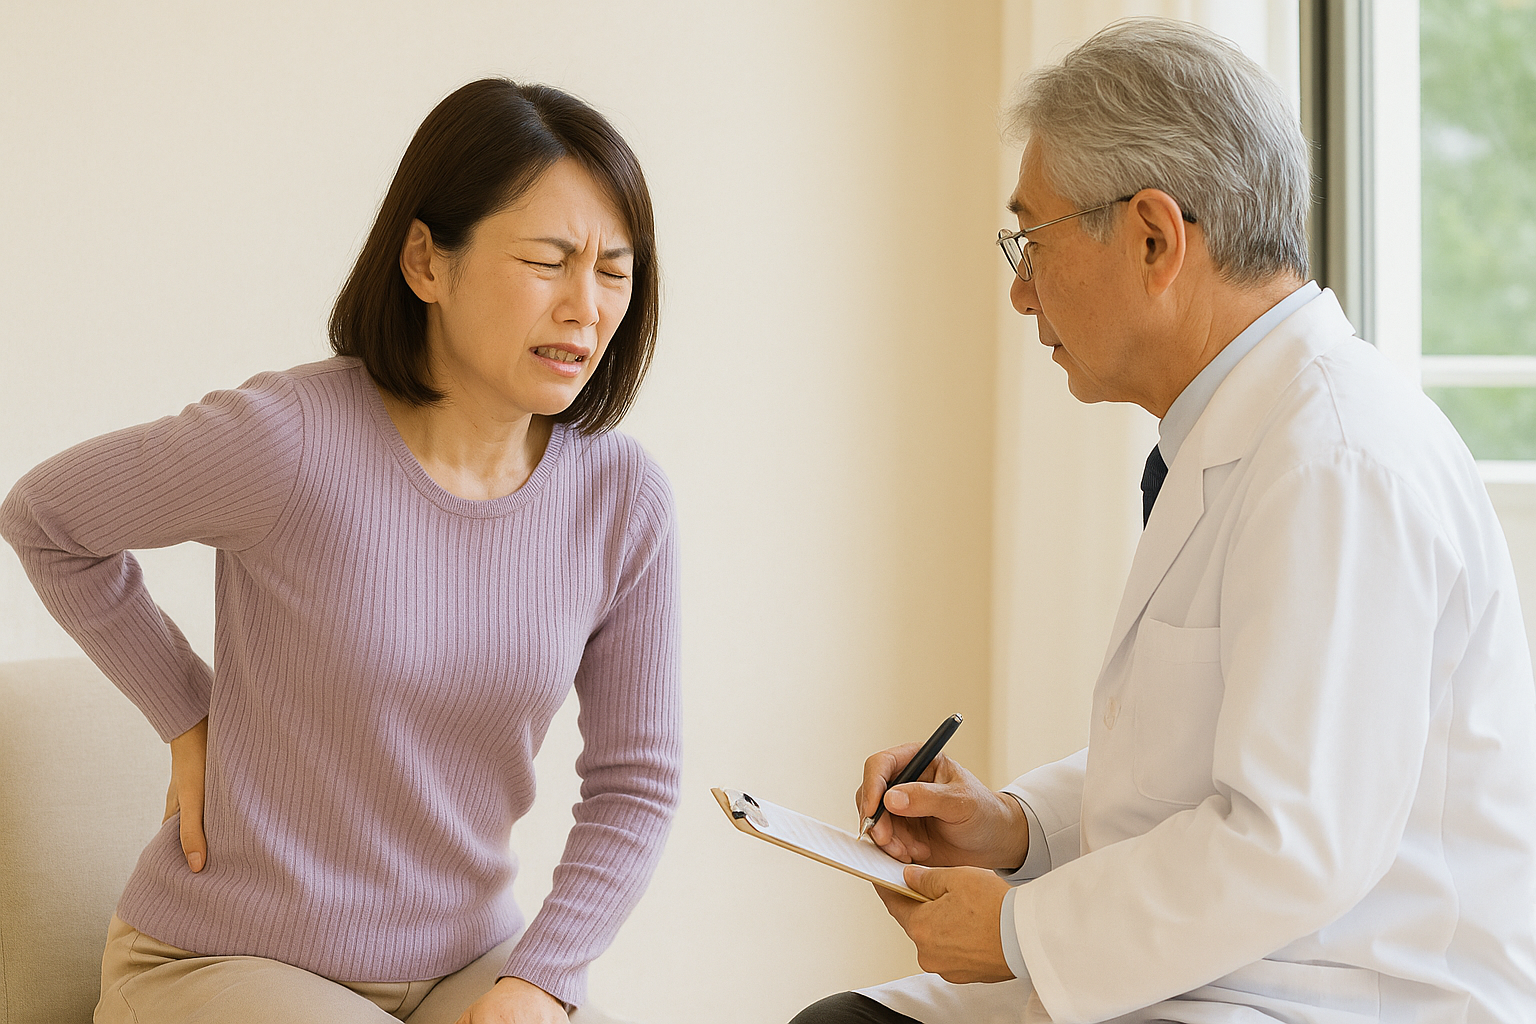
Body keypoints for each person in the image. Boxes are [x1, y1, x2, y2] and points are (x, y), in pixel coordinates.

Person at [792, 18, 1536, 1024]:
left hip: (1344, 995)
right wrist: (1013, 826)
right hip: (1229, 973)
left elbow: (1291, 840)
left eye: (1033, 241)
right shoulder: (1244, 433)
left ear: (1154, 237)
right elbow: (1199, 770)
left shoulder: (1338, 460)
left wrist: (1017, 928)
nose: (1019, 294)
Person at [1, 78, 679, 1024]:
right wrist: (188, 711)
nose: (585, 306)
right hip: (221, 960)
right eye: (547, 261)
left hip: (467, 962)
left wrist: (541, 975)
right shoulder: (288, 440)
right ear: (425, 262)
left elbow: (636, 783)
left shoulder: (622, 498)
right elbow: (46, 517)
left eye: (614, 269)